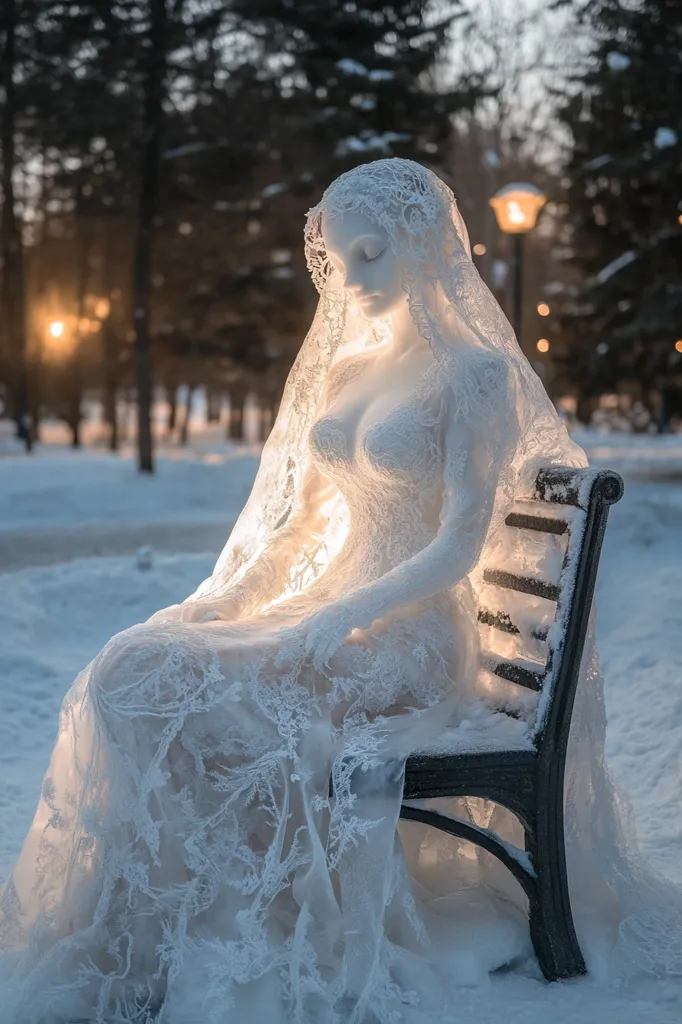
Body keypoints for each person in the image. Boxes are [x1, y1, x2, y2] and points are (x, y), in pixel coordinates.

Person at [0, 159, 679, 1024]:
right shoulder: (348, 373)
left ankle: (249, 923)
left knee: (193, 697)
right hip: (328, 612)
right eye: (339, 256)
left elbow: (459, 541)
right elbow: (295, 528)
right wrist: (229, 600)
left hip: (409, 635)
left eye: (373, 253)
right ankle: (154, 933)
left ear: (426, 249)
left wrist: (351, 610)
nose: (354, 279)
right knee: (136, 670)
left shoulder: (475, 375)